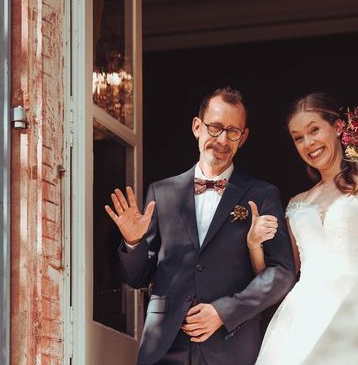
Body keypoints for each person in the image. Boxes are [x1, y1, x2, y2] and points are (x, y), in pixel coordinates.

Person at [104, 86, 296, 365]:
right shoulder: (162, 192)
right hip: (164, 346)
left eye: (233, 131)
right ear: (197, 126)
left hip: (232, 345)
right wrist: (134, 243)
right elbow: (138, 277)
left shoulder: (262, 194)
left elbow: (282, 272)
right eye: (215, 127)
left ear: (243, 138)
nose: (222, 139)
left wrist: (224, 311)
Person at [248, 92, 358, 365]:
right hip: (301, 322)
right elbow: (280, 278)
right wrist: (254, 244)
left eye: (314, 130)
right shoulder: (296, 203)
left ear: (338, 127)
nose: (308, 143)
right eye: (298, 137)